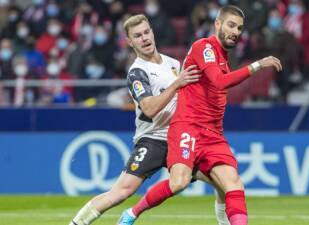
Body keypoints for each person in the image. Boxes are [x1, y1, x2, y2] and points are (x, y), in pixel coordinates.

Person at [118, 5, 282, 225]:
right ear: (217, 24)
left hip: (213, 133)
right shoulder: (204, 47)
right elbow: (220, 81)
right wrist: (257, 65)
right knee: (179, 182)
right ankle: (132, 213)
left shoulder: (222, 56)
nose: (235, 31)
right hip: (188, 127)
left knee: (233, 183)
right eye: (231, 25)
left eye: (239, 28)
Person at [68, 14, 230, 225]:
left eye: (146, 32)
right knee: (121, 192)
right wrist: (176, 84)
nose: (144, 38)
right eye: (137, 36)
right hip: (153, 138)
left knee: (223, 182)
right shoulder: (137, 72)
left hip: (181, 137)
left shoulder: (173, 63)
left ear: (152, 33)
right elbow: (150, 108)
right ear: (130, 42)